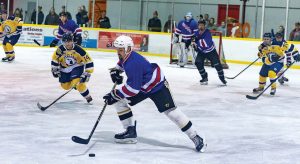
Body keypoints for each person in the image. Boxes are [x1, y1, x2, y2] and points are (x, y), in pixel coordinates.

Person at [102, 35, 206, 152]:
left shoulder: (133, 63)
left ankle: (195, 137)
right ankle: (130, 132)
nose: (118, 52)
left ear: (128, 48)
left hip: (157, 86)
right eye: (117, 49)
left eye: (121, 50)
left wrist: (114, 94)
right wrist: (116, 70)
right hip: (143, 86)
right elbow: (122, 63)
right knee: (119, 102)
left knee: (171, 112)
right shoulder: (127, 56)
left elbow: (132, 90)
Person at [51, 33, 94, 103]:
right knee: (65, 86)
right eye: (65, 42)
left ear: (72, 41)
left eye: (69, 41)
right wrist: (54, 69)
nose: (67, 44)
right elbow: (55, 59)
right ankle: (74, 84)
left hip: (77, 66)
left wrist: (87, 73)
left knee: (79, 83)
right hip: (64, 68)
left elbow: (89, 61)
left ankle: (88, 97)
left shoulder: (79, 50)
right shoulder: (59, 50)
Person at [192, 20, 227, 85]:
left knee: (217, 65)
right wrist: (193, 43)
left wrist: (196, 42)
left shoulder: (207, 33)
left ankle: (222, 78)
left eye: (202, 25)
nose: (200, 26)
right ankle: (204, 77)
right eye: (199, 25)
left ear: (204, 26)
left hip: (211, 52)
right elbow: (194, 40)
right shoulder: (196, 32)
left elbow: (205, 44)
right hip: (202, 52)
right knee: (198, 63)